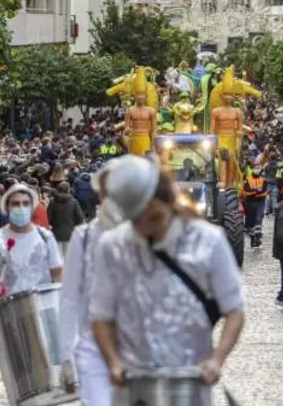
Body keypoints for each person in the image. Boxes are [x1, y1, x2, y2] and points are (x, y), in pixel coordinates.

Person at [90, 155, 245, 405]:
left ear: (170, 202)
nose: (146, 228)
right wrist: (113, 362)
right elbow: (101, 315)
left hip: (189, 384)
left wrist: (217, 360)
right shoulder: (112, 246)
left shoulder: (210, 240)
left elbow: (234, 310)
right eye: (136, 221)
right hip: (134, 387)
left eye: (153, 218)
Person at [58, 160, 124, 406]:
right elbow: (69, 299)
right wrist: (66, 355)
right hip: (92, 349)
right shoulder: (83, 238)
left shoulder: (147, 235)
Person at [0, 183, 63, 297]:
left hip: (41, 304)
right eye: (16, 204)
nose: (21, 208)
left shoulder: (45, 237)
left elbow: (58, 271)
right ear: (7, 207)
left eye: (25, 203)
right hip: (10, 306)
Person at [47, 181, 85, 257]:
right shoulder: (74, 202)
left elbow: (48, 217)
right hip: (70, 233)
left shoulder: (52, 202)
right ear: (68, 190)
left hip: (56, 233)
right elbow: (80, 218)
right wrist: (74, 224)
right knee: (68, 257)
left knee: (57, 257)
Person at [243, 161, 268, 248]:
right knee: (252, 221)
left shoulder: (263, 180)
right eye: (255, 167)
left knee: (258, 219)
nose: (256, 169)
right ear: (252, 169)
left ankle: (257, 238)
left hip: (260, 202)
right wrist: (257, 190)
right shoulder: (248, 179)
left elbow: (264, 192)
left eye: (258, 168)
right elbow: (246, 191)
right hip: (250, 203)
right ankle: (253, 238)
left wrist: (253, 191)